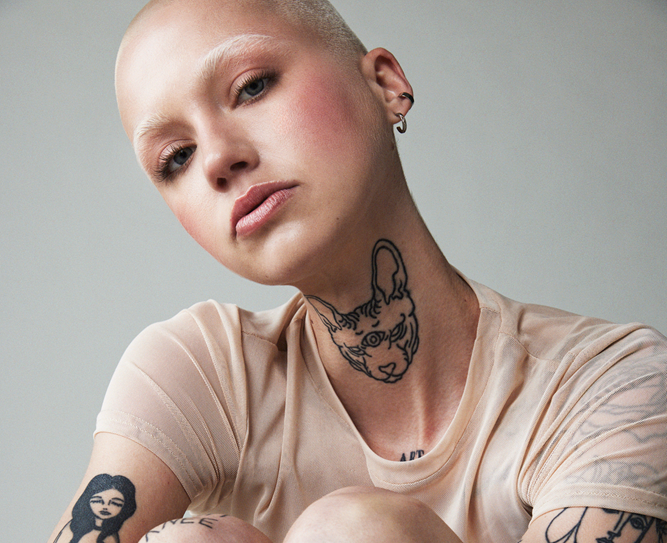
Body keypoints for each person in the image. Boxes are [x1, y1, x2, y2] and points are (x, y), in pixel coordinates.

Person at [49, 0, 667, 542]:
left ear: (385, 82)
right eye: (175, 157)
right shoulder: (205, 371)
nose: (216, 158)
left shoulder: (613, 386)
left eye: (253, 86)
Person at [53, 474, 137, 543]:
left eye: (115, 503)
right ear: (87, 501)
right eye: (97, 501)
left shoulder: (111, 535)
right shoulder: (74, 526)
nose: (105, 507)